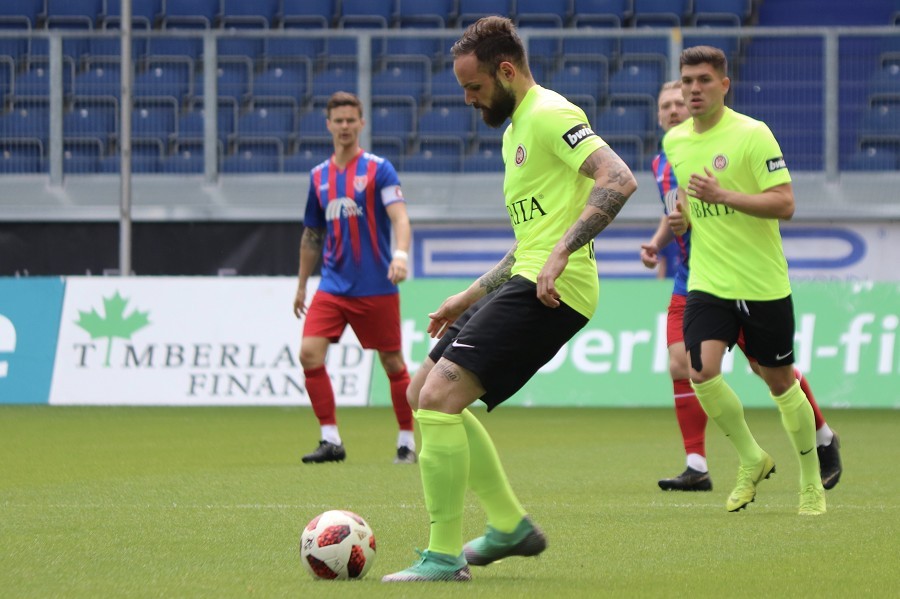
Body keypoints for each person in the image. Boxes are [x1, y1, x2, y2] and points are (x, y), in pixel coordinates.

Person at [383, 16, 638, 583]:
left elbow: (618, 179)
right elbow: (529, 243)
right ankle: (507, 527)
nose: (469, 100)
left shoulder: (551, 114)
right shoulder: (514, 131)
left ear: (505, 71)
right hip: (527, 277)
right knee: (422, 388)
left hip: (555, 292)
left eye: (474, 88)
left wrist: (561, 253)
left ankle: (445, 556)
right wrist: (468, 296)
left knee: (442, 394)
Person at [641, 80, 843, 493]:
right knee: (684, 365)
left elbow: (762, 203)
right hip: (693, 279)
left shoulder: (731, 141)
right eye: (667, 105)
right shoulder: (664, 159)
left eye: (680, 102)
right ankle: (696, 464)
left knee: (770, 371)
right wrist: (659, 242)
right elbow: (679, 211)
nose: (675, 109)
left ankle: (822, 435)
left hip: (742, 277)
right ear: (659, 115)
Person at [293, 91, 416, 466]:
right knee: (309, 354)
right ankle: (330, 440)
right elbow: (312, 235)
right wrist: (301, 284)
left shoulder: (379, 169)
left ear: (361, 123)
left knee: (393, 364)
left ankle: (407, 442)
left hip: (375, 285)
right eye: (338, 120)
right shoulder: (318, 177)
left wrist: (400, 255)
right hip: (332, 285)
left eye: (351, 120)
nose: (345, 126)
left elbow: (400, 218)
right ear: (328, 125)